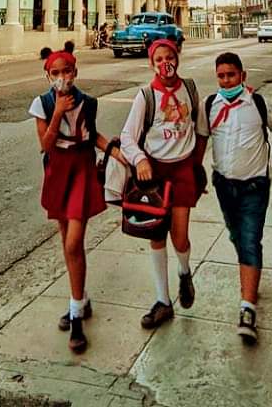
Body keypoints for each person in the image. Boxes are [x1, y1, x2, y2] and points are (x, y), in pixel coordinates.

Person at [29, 41, 122, 353]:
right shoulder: (41, 104)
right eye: (55, 73)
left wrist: (122, 158)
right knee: (66, 240)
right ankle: (79, 297)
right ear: (47, 75)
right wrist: (56, 112)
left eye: (66, 71)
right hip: (57, 171)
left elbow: (93, 135)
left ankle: (77, 315)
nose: (61, 77)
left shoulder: (88, 102)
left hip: (81, 169)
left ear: (75, 71)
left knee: (74, 243)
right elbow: (45, 143)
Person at [199, 52, 272, 344]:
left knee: (250, 239)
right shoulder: (210, 105)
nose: (226, 80)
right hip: (224, 185)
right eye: (221, 76)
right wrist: (196, 176)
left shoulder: (258, 103)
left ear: (242, 75)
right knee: (237, 237)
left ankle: (247, 308)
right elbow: (201, 141)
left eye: (231, 75)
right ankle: (250, 275)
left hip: (255, 185)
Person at [120, 39, 208, 329]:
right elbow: (128, 138)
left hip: (182, 170)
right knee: (156, 235)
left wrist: (197, 165)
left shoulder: (190, 89)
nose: (165, 63)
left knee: (180, 236)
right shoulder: (146, 96)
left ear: (178, 57)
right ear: (151, 63)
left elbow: (201, 129)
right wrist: (140, 160)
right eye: (159, 59)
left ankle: (184, 272)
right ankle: (163, 301)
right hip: (154, 175)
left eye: (169, 57)